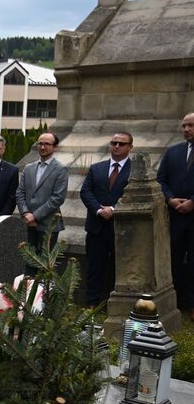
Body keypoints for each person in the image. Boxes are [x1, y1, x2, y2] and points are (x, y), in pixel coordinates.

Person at [80, 132, 133, 308]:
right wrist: (98, 209)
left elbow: (134, 196)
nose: (117, 146)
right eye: (114, 143)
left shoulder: (135, 171)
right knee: (94, 267)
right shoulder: (96, 168)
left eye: (121, 144)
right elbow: (85, 192)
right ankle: (92, 304)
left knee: (119, 268)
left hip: (122, 229)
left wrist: (113, 209)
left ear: (130, 148)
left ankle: (116, 306)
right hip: (96, 226)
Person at [156, 112, 194, 318]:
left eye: (190, 126)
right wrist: (170, 199)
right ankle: (176, 302)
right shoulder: (172, 152)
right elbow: (161, 180)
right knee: (174, 260)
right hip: (175, 216)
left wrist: (192, 202)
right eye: (183, 126)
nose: (185, 130)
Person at [16, 132, 69, 264]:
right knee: (28, 263)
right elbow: (20, 192)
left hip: (48, 225)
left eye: (47, 144)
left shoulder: (61, 169)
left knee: (46, 266)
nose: (43, 147)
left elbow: (57, 198)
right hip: (28, 224)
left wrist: (35, 216)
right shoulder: (29, 168)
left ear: (55, 147)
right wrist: (25, 213)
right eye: (40, 143)